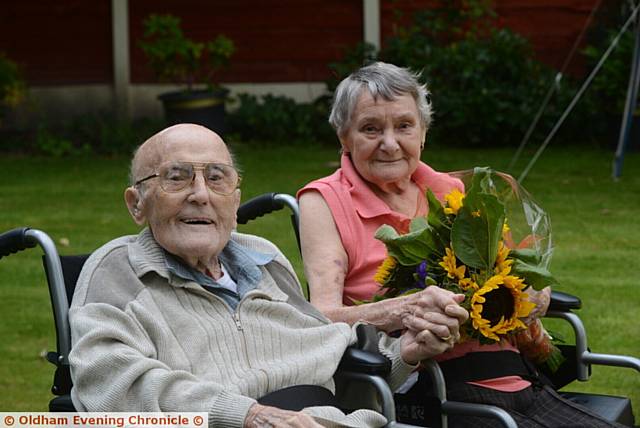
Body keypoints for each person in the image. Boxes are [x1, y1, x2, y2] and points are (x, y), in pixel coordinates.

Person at [68, 123, 469, 428]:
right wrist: (247, 415)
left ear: (235, 201)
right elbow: (113, 387)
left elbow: (326, 355)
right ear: (137, 204)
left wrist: (404, 353)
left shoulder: (263, 259)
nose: (200, 194)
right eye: (177, 177)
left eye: (216, 177)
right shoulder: (118, 270)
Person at [298, 62, 623, 428]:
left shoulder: (450, 191)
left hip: (519, 376)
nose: (389, 144)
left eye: (404, 126)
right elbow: (320, 317)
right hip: (430, 388)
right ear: (344, 137)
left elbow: (503, 267)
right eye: (370, 129)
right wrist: (407, 309)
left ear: (423, 132)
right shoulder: (325, 200)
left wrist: (530, 291)